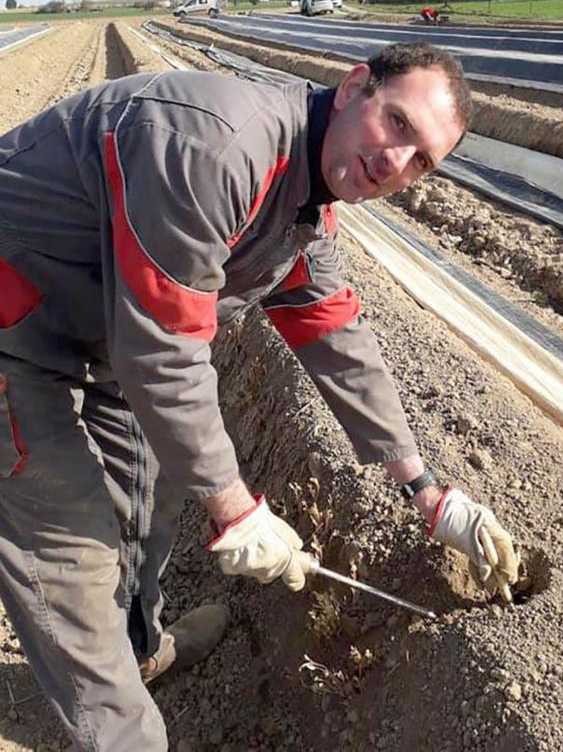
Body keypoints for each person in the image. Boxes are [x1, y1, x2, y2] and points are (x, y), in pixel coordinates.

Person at [0, 42, 518, 750]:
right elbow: (163, 352)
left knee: (150, 493)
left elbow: (332, 329)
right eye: (397, 123)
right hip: (14, 326)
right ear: (354, 88)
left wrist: (427, 491)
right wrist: (236, 510)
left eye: (420, 159)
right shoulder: (218, 148)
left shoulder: (305, 204)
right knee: (71, 551)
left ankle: (139, 651)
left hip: (90, 328)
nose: (395, 160)